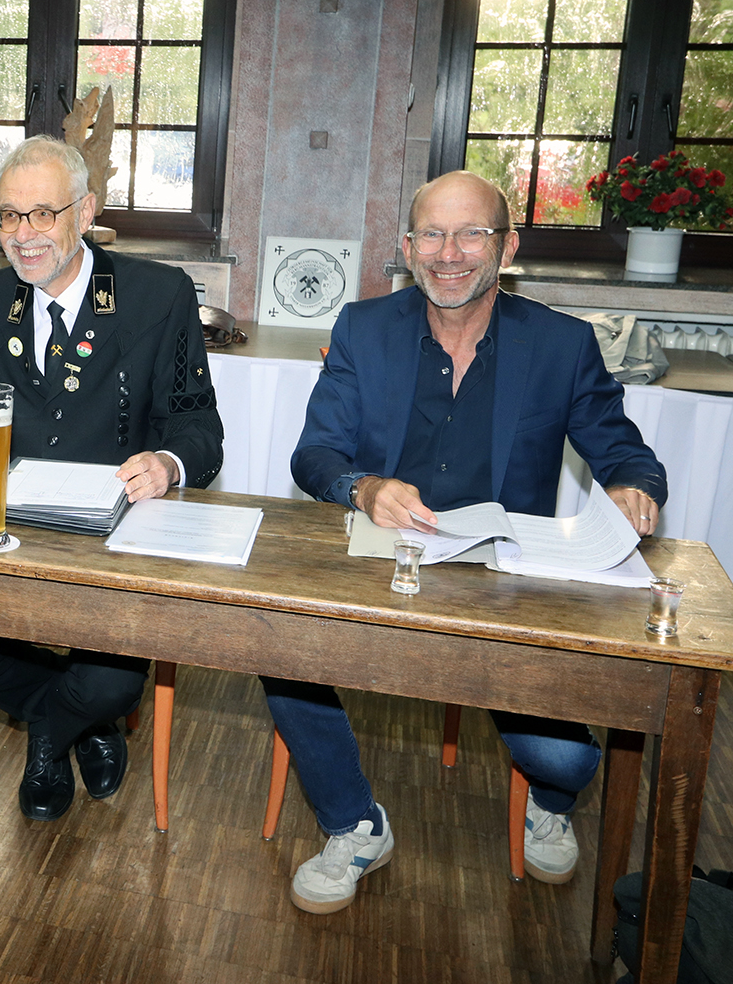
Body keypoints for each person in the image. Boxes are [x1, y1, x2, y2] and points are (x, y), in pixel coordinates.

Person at [271, 169, 668, 914]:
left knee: (567, 760)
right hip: (385, 561)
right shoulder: (363, 328)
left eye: (471, 234)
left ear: (507, 247)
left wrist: (632, 488)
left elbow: (625, 453)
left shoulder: (560, 345)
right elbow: (314, 455)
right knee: (279, 650)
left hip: (502, 583)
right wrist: (364, 488)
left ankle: (549, 801)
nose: (448, 253)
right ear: (408, 247)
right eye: (432, 234)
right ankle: (354, 823)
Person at [0, 136, 224, 821]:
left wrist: (168, 464)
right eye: (9, 215)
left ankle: (49, 736)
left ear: (86, 212)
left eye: (43, 214)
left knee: (110, 685)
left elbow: (199, 428)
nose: (23, 234)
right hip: (8, 534)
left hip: (111, 541)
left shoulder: (157, 295)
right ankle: (72, 726)